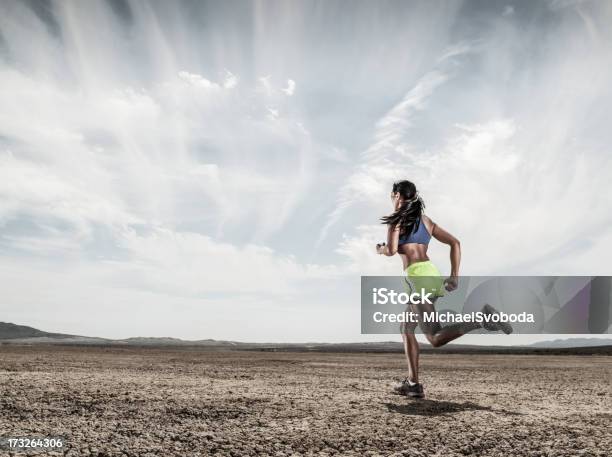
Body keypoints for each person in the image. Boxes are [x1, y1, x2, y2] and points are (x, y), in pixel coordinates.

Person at [376, 180, 512, 398]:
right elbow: (455, 243)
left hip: (418, 279)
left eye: (393, 195)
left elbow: (392, 251)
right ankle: (412, 384)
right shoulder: (426, 221)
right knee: (406, 328)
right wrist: (454, 277)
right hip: (431, 273)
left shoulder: (396, 222)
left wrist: (381, 249)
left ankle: (482, 319)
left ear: (397, 196)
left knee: (434, 337)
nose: (392, 198)